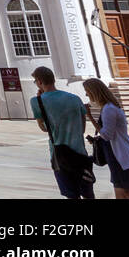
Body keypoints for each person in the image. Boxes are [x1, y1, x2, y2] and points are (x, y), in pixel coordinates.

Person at [30, 66, 95, 199]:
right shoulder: (74, 98)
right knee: (88, 194)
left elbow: (43, 127)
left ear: (39, 81)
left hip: (60, 156)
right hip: (80, 153)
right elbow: (82, 128)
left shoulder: (37, 101)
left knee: (72, 195)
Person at [84, 78, 129, 200]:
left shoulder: (109, 109)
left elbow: (107, 135)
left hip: (122, 158)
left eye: (87, 91)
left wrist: (89, 116)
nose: (86, 94)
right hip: (117, 156)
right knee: (121, 193)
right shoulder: (109, 107)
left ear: (94, 92)